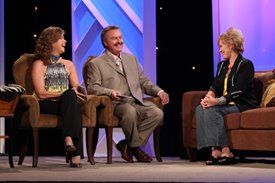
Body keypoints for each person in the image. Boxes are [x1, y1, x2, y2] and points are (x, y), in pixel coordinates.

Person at [86, 25, 169, 163]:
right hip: (114, 103)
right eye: (114, 38)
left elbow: (143, 82)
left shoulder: (131, 59)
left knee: (157, 113)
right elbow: (92, 87)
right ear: (106, 42)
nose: (119, 41)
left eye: (120, 37)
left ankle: (128, 145)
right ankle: (135, 148)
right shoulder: (96, 63)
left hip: (135, 101)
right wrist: (110, 92)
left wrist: (159, 91)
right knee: (129, 111)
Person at [195, 27, 258, 165]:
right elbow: (215, 85)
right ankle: (215, 150)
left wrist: (216, 101)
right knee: (200, 108)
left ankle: (226, 150)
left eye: (222, 46)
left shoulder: (246, 65)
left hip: (241, 103)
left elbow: (238, 91)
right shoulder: (222, 65)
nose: (219, 50)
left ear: (231, 44)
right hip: (225, 103)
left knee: (213, 109)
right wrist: (208, 97)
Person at [32, 26, 87, 168]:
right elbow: (40, 93)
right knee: (69, 97)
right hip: (45, 103)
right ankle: (75, 153)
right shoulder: (39, 64)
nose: (65, 41)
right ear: (51, 41)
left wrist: (80, 89)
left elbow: (75, 87)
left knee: (71, 99)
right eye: (61, 38)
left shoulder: (68, 64)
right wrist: (66, 93)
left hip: (65, 103)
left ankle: (70, 142)